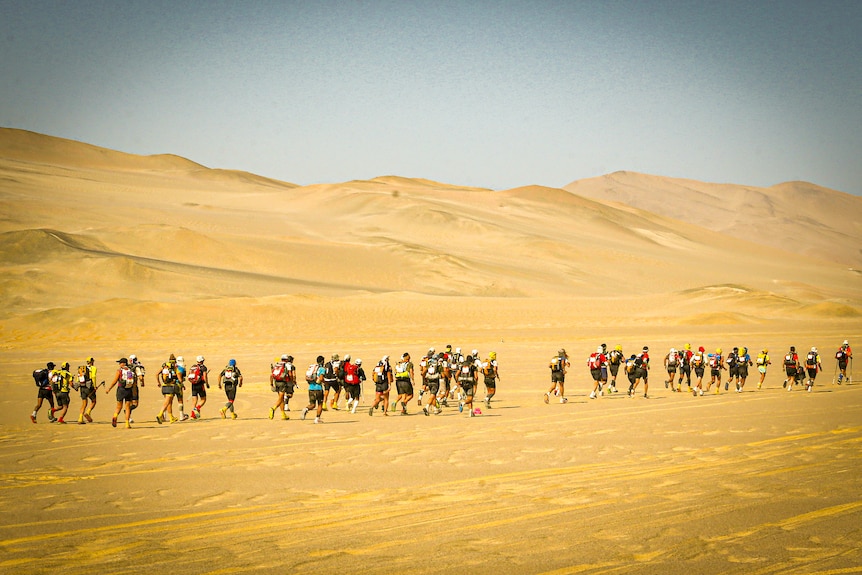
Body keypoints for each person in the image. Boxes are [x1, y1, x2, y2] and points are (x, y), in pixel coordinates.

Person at [105, 357, 136, 428]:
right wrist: (134, 392)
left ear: (122, 363)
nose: (119, 364)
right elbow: (134, 383)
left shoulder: (119, 371)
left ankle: (115, 416)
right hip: (129, 390)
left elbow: (115, 381)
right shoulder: (130, 370)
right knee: (127, 407)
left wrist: (109, 388)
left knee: (119, 406)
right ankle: (127, 424)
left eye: (120, 363)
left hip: (121, 390)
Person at [156, 354, 182, 424]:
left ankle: (171, 417)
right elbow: (180, 379)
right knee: (167, 402)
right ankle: (160, 414)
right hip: (171, 387)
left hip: (164, 386)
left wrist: (158, 382)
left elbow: (156, 374)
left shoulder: (164, 367)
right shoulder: (175, 368)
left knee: (169, 402)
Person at [302, 355, 326, 424]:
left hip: (311, 388)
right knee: (320, 404)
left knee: (312, 404)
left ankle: (306, 409)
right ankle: (317, 419)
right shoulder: (321, 369)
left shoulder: (313, 368)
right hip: (318, 389)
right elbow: (321, 378)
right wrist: (324, 382)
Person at [269, 354, 294, 420]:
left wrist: (271, 384)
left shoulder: (277, 364)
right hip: (283, 382)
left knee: (281, 398)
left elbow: (271, 375)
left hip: (276, 381)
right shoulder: (287, 365)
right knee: (281, 398)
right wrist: (292, 381)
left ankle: (283, 414)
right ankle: (273, 408)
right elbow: (290, 374)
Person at [77, 357, 98, 424]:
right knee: (93, 401)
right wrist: (94, 386)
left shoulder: (82, 369)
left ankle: (80, 418)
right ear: (92, 362)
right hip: (89, 387)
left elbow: (78, 379)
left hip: (82, 387)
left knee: (84, 404)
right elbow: (93, 377)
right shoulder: (93, 368)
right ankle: (88, 412)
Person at [174, 355, 189, 420]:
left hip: (170, 384)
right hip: (178, 385)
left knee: (169, 400)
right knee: (180, 400)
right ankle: (181, 415)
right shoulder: (181, 368)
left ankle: (164, 415)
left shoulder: (173, 367)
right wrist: (182, 385)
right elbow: (180, 377)